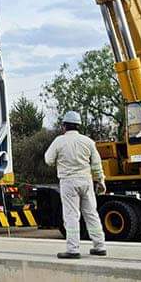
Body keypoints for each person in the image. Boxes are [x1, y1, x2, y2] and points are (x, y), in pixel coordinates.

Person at [44, 111, 106, 259]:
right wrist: (100, 181)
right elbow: (96, 165)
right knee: (91, 213)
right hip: (86, 181)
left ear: (64, 126)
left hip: (68, 181)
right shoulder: (88, 142)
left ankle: (73, 249)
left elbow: (48, 160)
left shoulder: (59, 141)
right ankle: (100, 246)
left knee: (71, 215)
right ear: (78, 125)